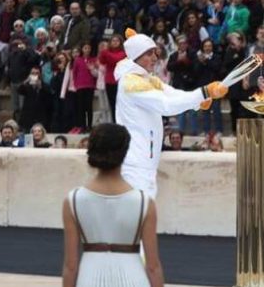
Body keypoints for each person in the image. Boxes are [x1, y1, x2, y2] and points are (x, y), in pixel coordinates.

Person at [114, 29, 228, 198]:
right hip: (134, 160)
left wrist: (198, 101)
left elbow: (171, 93)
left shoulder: (146, 78)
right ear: (135, 57)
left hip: (145, 159)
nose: (154, 58)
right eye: (148, 54)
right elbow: (166, 105)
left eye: (155, 53)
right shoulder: (131, 83)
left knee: (142, 212)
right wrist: (203, 93)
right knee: (136, 213)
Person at [62, 123, 164, 287]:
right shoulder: (145, 202)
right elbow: (153, 266)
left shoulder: (73, 200)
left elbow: (70, 266)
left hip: (90, 278)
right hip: (133, 278)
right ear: (125, 152)